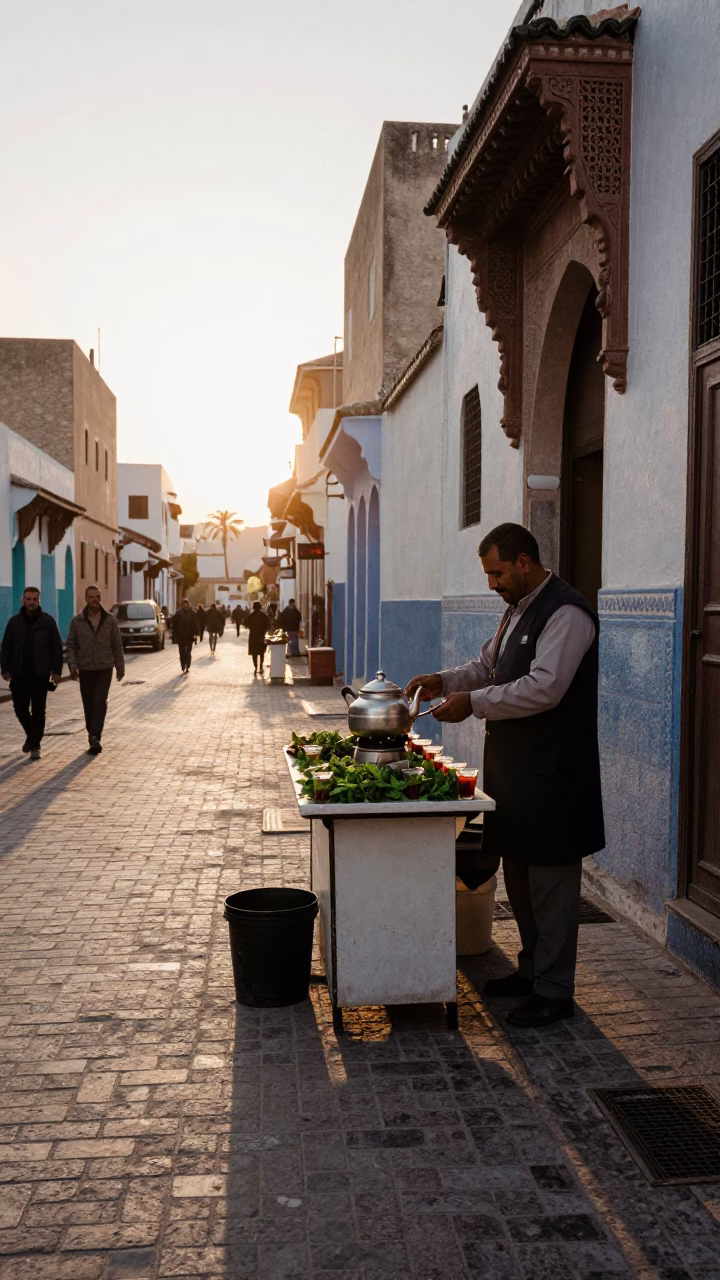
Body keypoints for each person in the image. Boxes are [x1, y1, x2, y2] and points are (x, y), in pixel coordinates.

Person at [405, 522, 604, 1030]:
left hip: (555, 775)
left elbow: (544, 687)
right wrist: (444, 681)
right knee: (517, 875)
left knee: (551, 886)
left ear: (522, 562)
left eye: (496, 572)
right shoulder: (516, 610)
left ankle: (555, 990)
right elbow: (488, 665)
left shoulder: (566, 612)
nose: (492, 583)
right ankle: (531, 970)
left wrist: (473, 704)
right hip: (517, 774)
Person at [0, 586, 63, 761]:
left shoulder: (47, 622)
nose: (31, 602)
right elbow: (5, 647)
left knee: (38, 711)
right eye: (28, 599)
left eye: (34, 599)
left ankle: (35, 745)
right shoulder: (14, 622)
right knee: (19, 708)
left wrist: (57, 671)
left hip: (40, 674)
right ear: (23, 600)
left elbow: (56, 648)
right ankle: (32, 737)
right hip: (18, 674)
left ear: (39, 600)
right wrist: (4, 668)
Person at [66, 584, 125, 755]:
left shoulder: (110, 620)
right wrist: (72, 666)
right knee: (88, 704)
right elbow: (71, 645)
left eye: (97, 597)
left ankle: (94, 737)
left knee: (100, 701)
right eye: (91, 597)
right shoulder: (77, 621)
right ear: (86, 598)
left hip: (105, 667)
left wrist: (120, 667)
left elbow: (117, 645)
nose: (95, 600)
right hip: (85, 668)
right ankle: (92, 733)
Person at [172, 598, 198, 673]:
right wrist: (175, 636)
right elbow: (174, 626)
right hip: (182, 636)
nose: (185, 605)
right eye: (184, 604)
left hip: (188, 636)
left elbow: (196, 626)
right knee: (183, 652)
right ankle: (184, 664)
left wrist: (197, 637)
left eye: (186, 604)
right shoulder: (178, 613)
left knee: (187, 652)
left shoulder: (192, 613)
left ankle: (186, 664)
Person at [244, 601, 269, 674]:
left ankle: (255, 667)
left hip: (253, 637)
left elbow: (245, 624)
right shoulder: (264, 615)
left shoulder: (251, 616)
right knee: (261, 653)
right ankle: (260, 667)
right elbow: (268, 626)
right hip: (261, 636)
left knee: (254, 653)